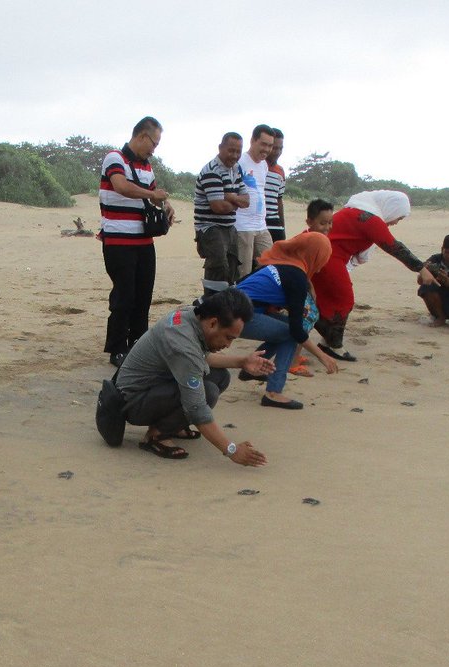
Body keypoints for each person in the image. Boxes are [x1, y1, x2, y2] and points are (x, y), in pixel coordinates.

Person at [115, 288, 271, 465]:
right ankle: (156, 436)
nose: (228, 345)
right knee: (208, 392)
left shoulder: (192, 315)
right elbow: (197, 408)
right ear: (213, 323)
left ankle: (174, 425)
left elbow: (201, 359)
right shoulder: (183, 345)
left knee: (220, 377)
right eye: (228, 338)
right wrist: (231, 450)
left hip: (151, 387)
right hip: (131, 401)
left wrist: (242, 361)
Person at [310, 190, 430, 361]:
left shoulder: (359, 211)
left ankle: (326, 340)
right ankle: (332, 343)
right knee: (344, 300)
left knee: (324, 298)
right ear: (392, 209)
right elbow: (394, 246)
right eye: (399, 217)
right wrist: (421, 269)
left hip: (324, 254)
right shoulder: (370, 218)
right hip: (328, 256)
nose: (396, 222)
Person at [99, 116, 176, 367]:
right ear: (142, 136)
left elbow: (151, 197)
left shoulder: (147, 167)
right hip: (119, 241)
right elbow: (121, 187)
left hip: (144, 241)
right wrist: (153, 194)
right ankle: (117, 348)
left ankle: (138, 345)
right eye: (154, 143)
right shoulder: (114, 158)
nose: (155, 149)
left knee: (143, 296)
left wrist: (166, 205)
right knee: (124, 295)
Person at [234, 232, 340, 408]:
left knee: (285, 327)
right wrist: (323, 356)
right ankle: (274, 392)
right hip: (236, 317)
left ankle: (254, 369)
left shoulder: (279, 264)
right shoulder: (296, 277)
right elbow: (297, 330)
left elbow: (241, 284)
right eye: (323, 259)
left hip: (232, 308)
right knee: (290, 333)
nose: (322, 265)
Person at [193, 132, 249, 295]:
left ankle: (225, 304)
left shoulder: (237, 169)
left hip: (229, 226)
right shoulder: (212, 170)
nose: (235, 155)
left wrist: (230, 197)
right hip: (210, 227)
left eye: (238, 152)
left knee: (232, 267)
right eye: (231, 150)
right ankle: (211, 304)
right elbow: (218, 207)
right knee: (218, 266)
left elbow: (247, 201)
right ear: (220, 148)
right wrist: (236, 202)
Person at [234, 124, 276, 280]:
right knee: (242, 273)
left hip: (261, 225)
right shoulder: (240, 161)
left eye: (270, 146)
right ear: (253, 141)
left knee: (272, 265)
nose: (266, 149)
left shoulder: (264, 166)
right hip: (242, 226)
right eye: (263, 144)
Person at [265, 128, 288, 243]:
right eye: (274, 148)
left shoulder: (280, 171)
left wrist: (282, 227)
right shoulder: (257, 168)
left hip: (275, 223)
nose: (277, 152)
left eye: (280, 148)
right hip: (259, 223)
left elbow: (279, 200)